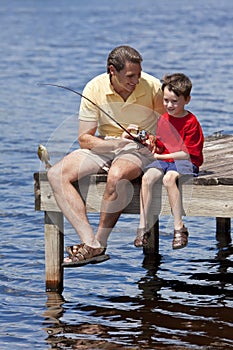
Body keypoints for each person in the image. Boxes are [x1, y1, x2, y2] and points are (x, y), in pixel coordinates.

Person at [47, 45, 165, 264]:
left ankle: (100, 241)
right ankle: (90, 243)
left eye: (138, 75)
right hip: (107, 144)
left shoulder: (153, 87)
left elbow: (169, 124)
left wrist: (149, 139)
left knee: (117, 174)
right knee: (56, 174)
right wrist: (116, 144)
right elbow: (85, 139)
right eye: (130, 76)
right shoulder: (94, 88)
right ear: (112, 70)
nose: (136, 80)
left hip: (141, 149)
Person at [134, 73, 204, 250]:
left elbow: (187, 154)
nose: (169, 105)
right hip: (165, 158)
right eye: (166, 101)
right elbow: (161, 145)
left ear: (187, 99)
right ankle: (143, 226)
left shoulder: (191, 122)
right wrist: (149, 144)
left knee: (169, 179)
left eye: (174, 101)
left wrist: (159, 157)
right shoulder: (164, 119)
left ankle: (179, 227)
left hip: (186, 161)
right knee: (147, 178)